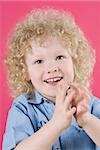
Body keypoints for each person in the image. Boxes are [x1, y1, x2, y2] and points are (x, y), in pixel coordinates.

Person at [2, 8, 100, 150]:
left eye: (60, 57)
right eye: (39, 61)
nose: (52, 67)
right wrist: (57, 124)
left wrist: (86, 120)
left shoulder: (90, 104)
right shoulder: (23, 108)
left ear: (75, 62)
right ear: (25, 71)